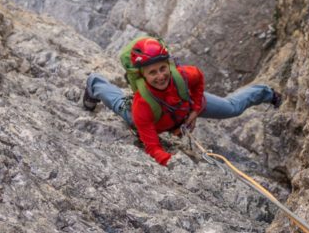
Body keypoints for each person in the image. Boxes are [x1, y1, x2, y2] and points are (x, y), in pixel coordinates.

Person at [82, 37, 282, 166]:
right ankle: (95, 83)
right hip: (157, 116)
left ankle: (266, 93)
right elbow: (152, 146)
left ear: (168, 65)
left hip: (184, 107)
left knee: (232, 107)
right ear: (142, 76)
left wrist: (194, 110)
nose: (160, 76)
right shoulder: (142, 105)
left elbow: (199, 79)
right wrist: (169, 161)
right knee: (123, 110)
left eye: (162, 68)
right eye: (152, 72)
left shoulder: (183, 76)